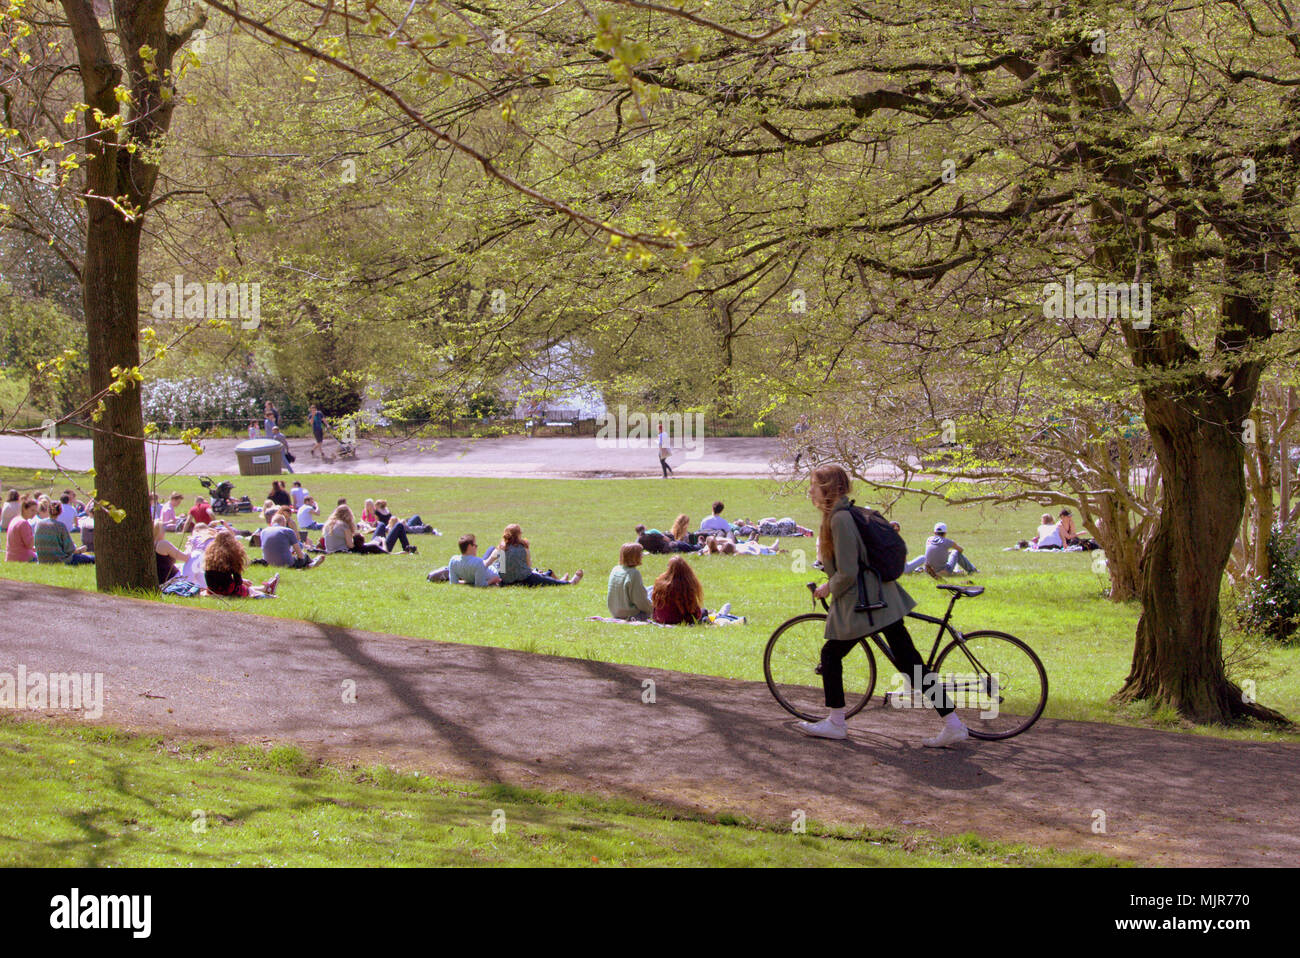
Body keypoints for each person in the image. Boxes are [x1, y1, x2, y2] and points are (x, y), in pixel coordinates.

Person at [801, 464, 968, 747]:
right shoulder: (846, 513)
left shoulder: (840, 519)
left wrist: (828, 587)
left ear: (827, 488)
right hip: (882, 600)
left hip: (866, 606)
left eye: (814, 485)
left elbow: (849, 571)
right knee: (910, 664)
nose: (810, 490)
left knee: (831, 655)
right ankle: (953, 724)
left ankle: (836, 722)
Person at [496, 523, 582, 586]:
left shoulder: (502, 548)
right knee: (542, 579)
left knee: (539, 574)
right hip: (524, 579)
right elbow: (529, 565)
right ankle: (569, 583)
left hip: (506, 582)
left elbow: (502, 570)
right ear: (519, 534)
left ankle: (559, 579)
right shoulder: (523, 547)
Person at [203, 528, 278, 597]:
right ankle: (266, 592)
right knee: (247, 590)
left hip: (212, 590)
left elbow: (217, 576)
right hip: (227, 591)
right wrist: (242, 582)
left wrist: (242, 581)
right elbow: (237, 581)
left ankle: (265, 588)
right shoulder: (231, 555)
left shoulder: (210, 556)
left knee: (244, 587)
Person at [904, 522, 978, 575]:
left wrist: (947, 553)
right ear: (945, 533)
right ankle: (972, 570)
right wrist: (951, 550)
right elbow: (961, 550)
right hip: (943, 570)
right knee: (956, 552)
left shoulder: (929, 539)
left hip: (928, 569)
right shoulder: (948, 542)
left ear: (934, 532)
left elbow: (937, 550)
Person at [651, 555, 705, 624]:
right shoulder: (686, 585)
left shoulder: (660, 582)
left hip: (660, 618)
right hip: (678, 619)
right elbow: (693, 610)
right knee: (704, 611)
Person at [607, 542, 654, 620]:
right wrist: (653, 609)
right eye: (640, 554)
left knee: (651, 588)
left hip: (615, 611)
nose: (642, 556)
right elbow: (640, 601)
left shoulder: (615, 569)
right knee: (654, 591)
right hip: (630, 613)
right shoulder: (634, 574)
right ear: (635, 556)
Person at [260, 514, 325, 569]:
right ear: (284, 522)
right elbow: (299, 552)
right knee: (304, 556)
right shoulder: (288, 531)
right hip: (287, 564)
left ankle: (309, 564)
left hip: (268, 563)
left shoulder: (263, 532)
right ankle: (311, 563)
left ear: (272, 522)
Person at [321, 505, 387, 555]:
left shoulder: (328, 524)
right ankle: (385, 547)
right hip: (343, 551)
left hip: (330, 551)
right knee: (374, 546)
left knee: (372, 543)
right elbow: (350, 545)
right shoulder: (344, 525)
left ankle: (378, 542)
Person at [153, 520, 187, 584]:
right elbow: (185, 558)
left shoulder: (149, 545)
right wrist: (191, 546)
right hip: (171, 580)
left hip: (159, 580)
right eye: (163, 528)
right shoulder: (162, 544)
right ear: (158, 531)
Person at [5, 498, 37, 562]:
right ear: (24, 509)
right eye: (32, 510)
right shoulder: (23, 523)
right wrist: (36, 533)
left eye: (36, 511)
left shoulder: (15, 519)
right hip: (22, 557)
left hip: (10, 556)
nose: (34, 513)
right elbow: (29, 545)